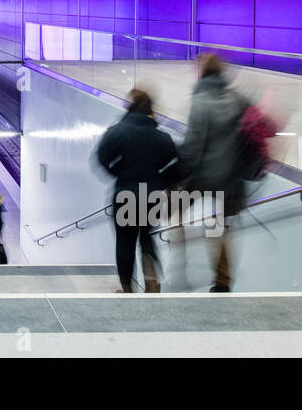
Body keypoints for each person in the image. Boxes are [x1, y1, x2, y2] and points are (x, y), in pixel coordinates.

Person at [176, 53, 249, 292]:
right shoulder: (238, 99)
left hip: (203, 177)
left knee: (171, 211)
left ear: (201, 72)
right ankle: (223, 280)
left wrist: (176, 174)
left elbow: (193, 146)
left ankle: (178, 271)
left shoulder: (200, 101)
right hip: (230, 181)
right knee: (218, 227)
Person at [96, 89, 177, 293]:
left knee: (125, 243)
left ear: (130, 108)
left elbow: (101, 157)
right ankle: (152, 283)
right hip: (152, 197)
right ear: (151, 111)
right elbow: (177, 163)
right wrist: (162, 181)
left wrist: (118, 172)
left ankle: (127, 289)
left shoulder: (116, 132)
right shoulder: (162, 137)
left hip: (125, 194)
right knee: (146, 237)